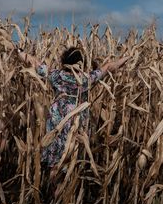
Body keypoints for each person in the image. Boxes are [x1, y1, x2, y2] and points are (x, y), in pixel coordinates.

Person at [17, 46, 129, 180]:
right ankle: (67, 195)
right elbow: (109, 66)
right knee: (72, 162)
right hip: (76, 124)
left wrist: (20, 52)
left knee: (56, 163)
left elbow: (34, 62)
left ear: (64, 61)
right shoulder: (86, 79)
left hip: (57, 124)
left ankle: (54, 195)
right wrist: (129, 56)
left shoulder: (56, 75)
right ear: (80, 62)